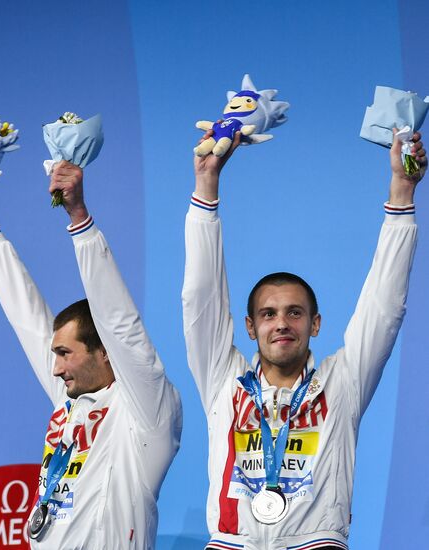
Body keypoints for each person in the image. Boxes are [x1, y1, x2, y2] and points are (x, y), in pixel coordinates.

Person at [182, 130, 426, 549]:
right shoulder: (224, 379)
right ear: (249, 327)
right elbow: (199, 299)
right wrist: (206, 187)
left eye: (295, 313)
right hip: (231, 542)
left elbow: (384, 307)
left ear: (315, 324)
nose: (281, 323)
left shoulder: (344, 381)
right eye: (268, 314)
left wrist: (402, 193)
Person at [0, 161, 182, 549]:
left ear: (106, 354)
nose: (56, 368)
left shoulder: (144, 415)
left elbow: (121, 325)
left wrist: (79, 219)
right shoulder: (69, 403)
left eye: (66, 353)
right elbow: (26, 316)